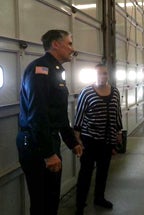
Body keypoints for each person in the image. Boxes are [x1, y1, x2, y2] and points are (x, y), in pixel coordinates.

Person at [16, 29, 83, 215]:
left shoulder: (54, 70)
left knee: (51, 197)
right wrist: (48, 154)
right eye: (69, 44)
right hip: (36, 146)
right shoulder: (40, 70)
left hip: (47, 142)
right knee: (42, 201)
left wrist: (72, 142)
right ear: (55, 44)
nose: (72, 49)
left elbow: (58, 113)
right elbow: (38, 115)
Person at [74, 63, 123, 214]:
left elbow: (117, 113)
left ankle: (99, 198)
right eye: (100, 74)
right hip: (90, 140)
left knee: (103, 171)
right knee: (86, 174)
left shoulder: (114, 92)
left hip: (107, 141)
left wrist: (118, 132)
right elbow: (78, 118)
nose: (103, 76)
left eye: (105, 74)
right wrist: (78, 140)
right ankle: (80, 205)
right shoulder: (86, 93)